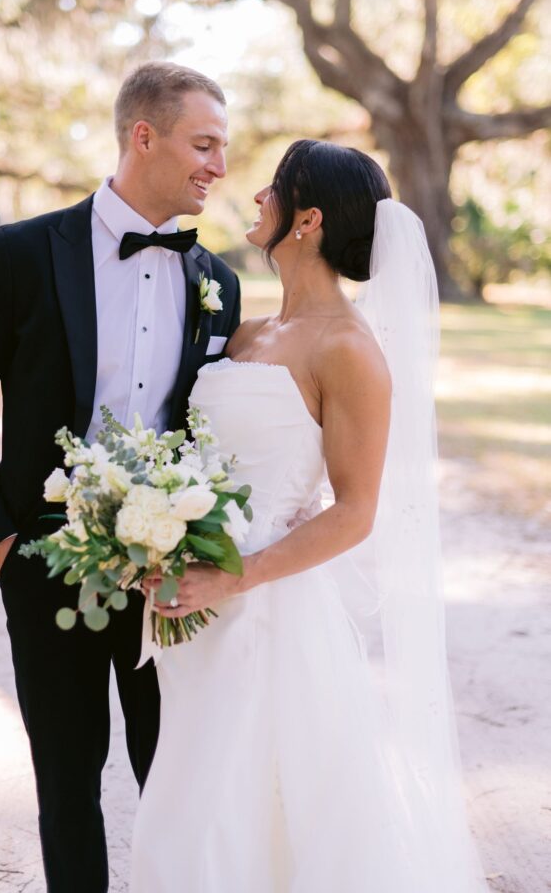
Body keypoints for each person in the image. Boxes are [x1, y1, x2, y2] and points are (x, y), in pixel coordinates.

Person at [133, 140, 487, 892]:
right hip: (191, 601)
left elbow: (355, 513)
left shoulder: (350, 350)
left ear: (308, 219)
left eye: (274, 188)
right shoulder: (246, 332)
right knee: (191, 793)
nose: (256, 195)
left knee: (234, 805)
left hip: (268, 611)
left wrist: (233, 577)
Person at [0, 61, 241, 893]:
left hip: (165, 583)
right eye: (203, 144)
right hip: (45, 570)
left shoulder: (217, 283)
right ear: (144, 136)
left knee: (173, 783)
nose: (218, 166)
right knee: (67, 788)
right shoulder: (24, 253)